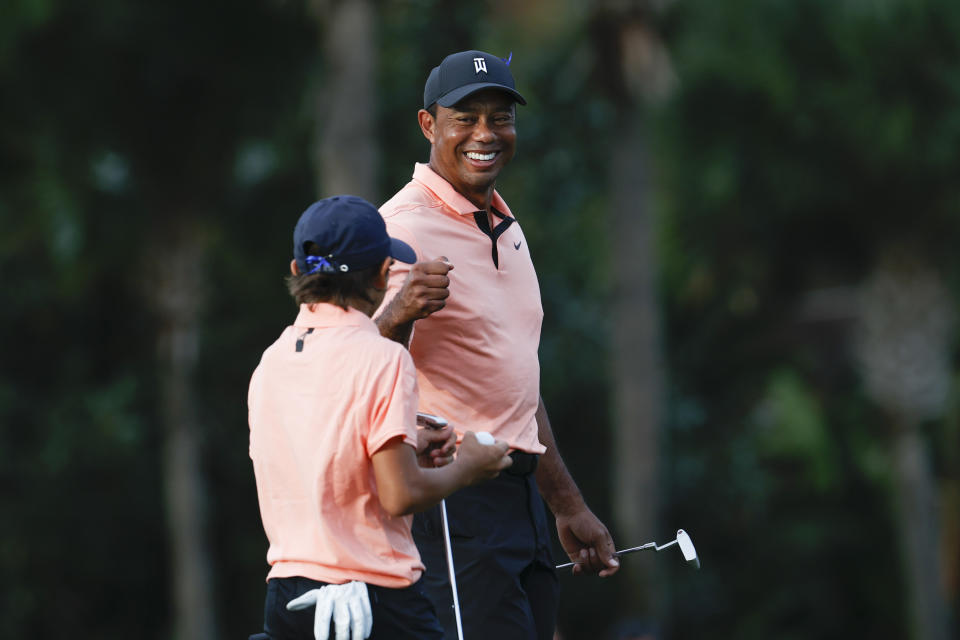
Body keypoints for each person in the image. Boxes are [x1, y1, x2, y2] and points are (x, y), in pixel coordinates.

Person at [374, 50, 620, 640]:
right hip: (452, 499)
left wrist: (565, 505)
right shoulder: (399, 228)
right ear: (429, 125)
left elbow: (515, 385)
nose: (485, 134)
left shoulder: (505, 227)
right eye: (466, 117)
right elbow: (346, 361)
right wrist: (403, 309)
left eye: (500, 117)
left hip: (522, 504)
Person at [248, 195, 513, 639]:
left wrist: (404, 443)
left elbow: (320, 455)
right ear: (381, 273)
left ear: (298, 272)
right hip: (374, 603)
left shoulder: (270, 363)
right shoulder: (382, 358)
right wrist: (470, 467)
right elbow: (400, 494)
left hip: (289, 603)